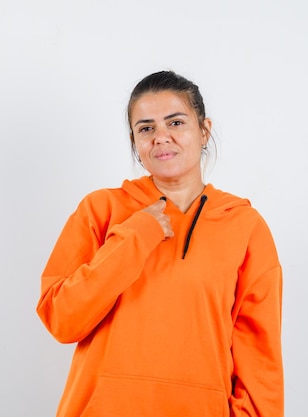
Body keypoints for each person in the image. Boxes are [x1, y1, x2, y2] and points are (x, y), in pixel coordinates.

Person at [36, 70, 283, 417]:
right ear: (136, 142)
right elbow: (62, 320)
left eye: (176, 122)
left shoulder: (244, 226)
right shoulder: (102, 209)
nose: (161, 138)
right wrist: (136, 234)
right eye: (146, 128)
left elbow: (260, 361)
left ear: (204, 131)